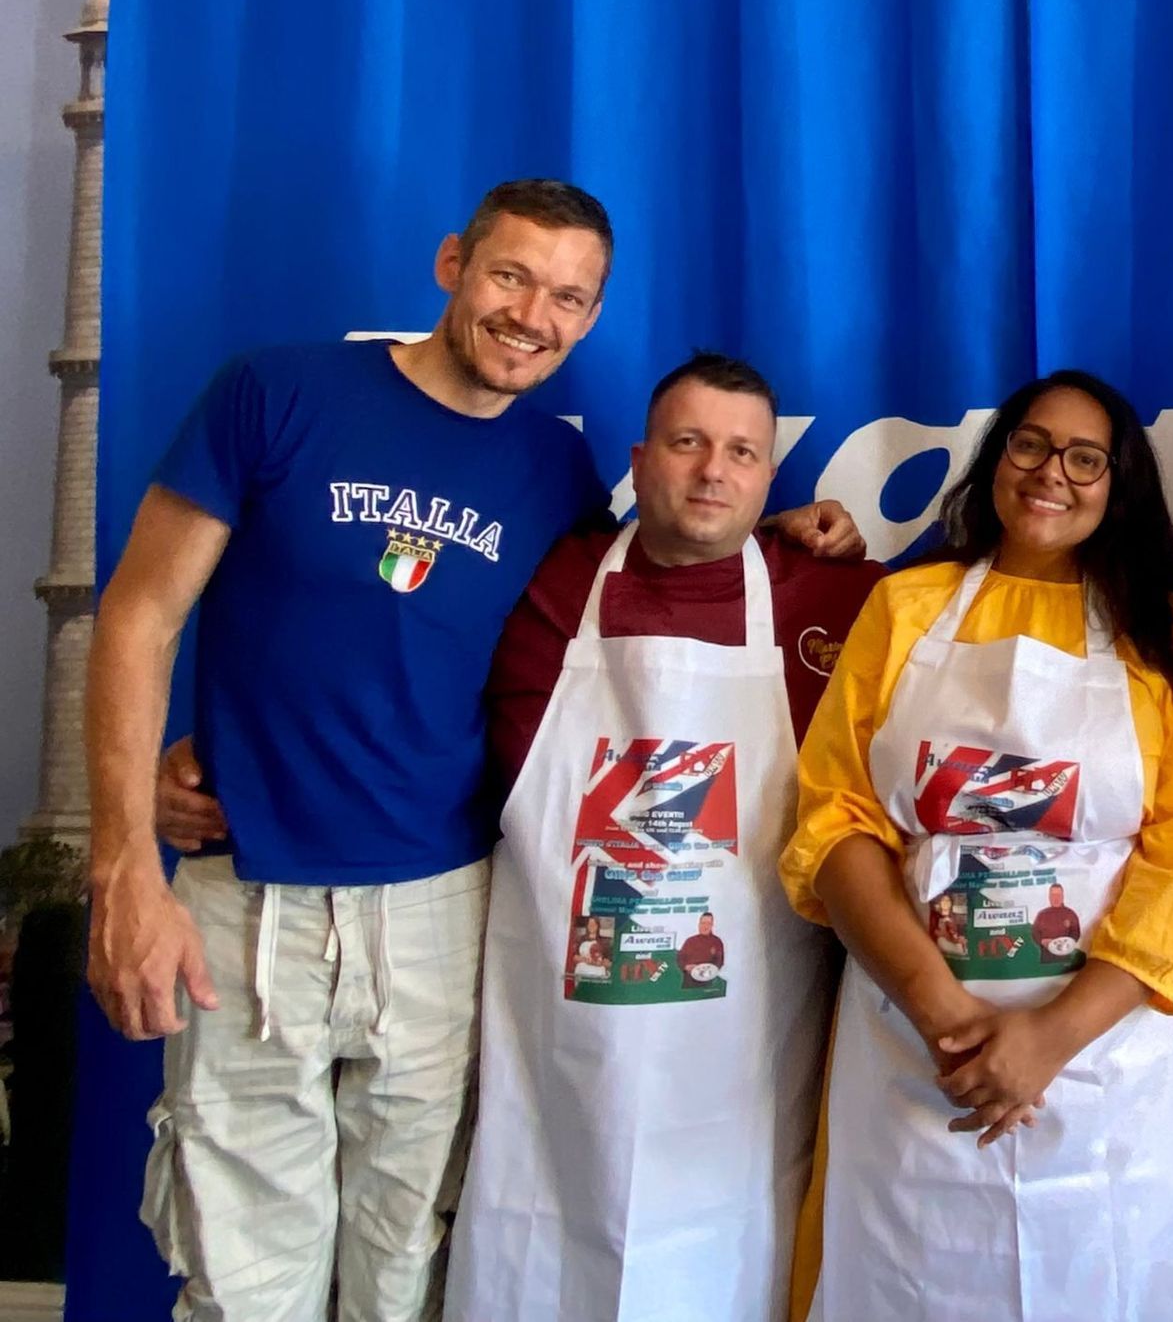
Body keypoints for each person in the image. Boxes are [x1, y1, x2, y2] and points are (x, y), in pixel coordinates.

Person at [101, 182, 856, 1322]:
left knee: (409, 1263)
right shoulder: (274, 393)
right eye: (511, 275)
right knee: (242, 1275)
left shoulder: (554, 470)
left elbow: (666, 561)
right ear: (452, 263)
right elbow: (136, 617)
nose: (532, 315)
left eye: (569, 297)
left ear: (591, 318)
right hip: (252, 899)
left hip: (444, 909)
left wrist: (782, 532)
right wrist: (124, 854)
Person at [780, 371, 1173, 1320]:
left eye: (1086, 458)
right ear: (996, 455)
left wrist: (1051, 1038)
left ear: (1119, 485)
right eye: (1031, 444)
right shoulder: (902, 608)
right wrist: (941, 1013)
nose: (1053, 472)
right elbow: (835, 818)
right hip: (917, 1053)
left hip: (1118, 1067)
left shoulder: (1161, 637)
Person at [441, 354, 885, 1322]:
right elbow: (386, 647)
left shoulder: (839, 597)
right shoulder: (545, 578)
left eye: (741, 453)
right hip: (554, 1057)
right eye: (688, 443)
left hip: (738, 1067)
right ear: (640, 461)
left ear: (772, 477)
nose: (713, 471)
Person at [1032, 880, 1082, 957]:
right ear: (1049, 897)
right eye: (1053, 895)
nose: (1056, 898)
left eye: (1058, 895)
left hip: (1066, 956)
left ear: (1063, 896)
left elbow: (1076, 933)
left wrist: (1067, 943)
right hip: (1046, 956)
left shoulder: (1071, 914)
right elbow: (1035, 933)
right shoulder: (1041, 915)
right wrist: (1042, 941)